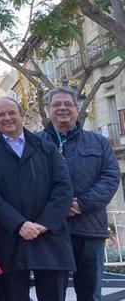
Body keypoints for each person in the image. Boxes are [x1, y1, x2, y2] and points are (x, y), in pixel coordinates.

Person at [0, 97, 74, 301]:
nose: (7, 117)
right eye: (1, 114)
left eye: (11, 112)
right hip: (9, 239)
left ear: (22, 115)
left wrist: (43, 224)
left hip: (49, 237)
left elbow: (63, 187)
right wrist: (19, 224)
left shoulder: (47, 148)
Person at [38, 87, 119, 301]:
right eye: (56, 104)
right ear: (48, 110)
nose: (62, 108)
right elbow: (27, 183)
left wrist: (82, 203)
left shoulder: (98, 143)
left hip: (89, 230)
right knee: (50, 295)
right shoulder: (34, 144)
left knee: (90, 294)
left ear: (77, 108)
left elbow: (110, 177)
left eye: (68, 104)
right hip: (50, 232)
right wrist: (57, 208)